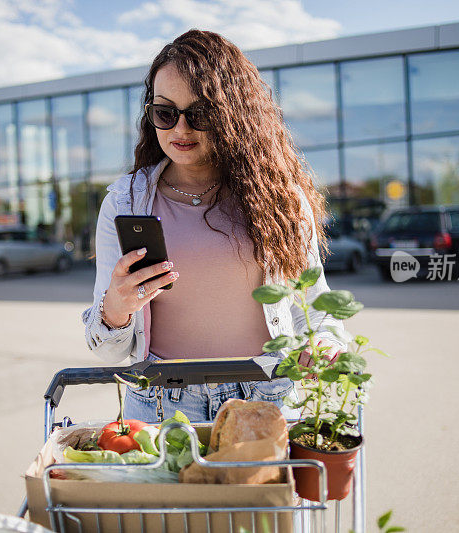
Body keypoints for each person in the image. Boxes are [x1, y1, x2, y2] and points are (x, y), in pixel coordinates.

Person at [81, 30, 353, 424]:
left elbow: (315, 308)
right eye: (164, 112)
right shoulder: (124, 202)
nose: (180, 129)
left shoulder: (278, 199)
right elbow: (109, 352)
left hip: (266, 397)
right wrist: (116, 310)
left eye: (201, 114)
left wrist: (325, 344)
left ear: (234, 114)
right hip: (162, 404)